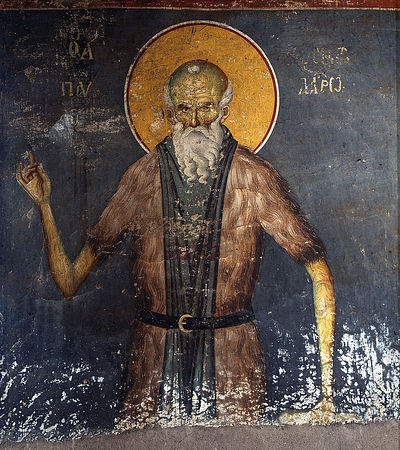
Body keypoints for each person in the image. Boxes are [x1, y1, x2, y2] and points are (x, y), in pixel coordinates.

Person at [17, 60, 337, 428]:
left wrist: (327, 394)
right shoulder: (142, 177)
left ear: (224, 108)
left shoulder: (254, 177)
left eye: (206, 107)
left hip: (232, 361)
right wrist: (44, 205)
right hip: (151, 362)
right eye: (184, 108)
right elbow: (70, 281)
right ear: (170, 112)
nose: (196, 120)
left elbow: (319, 272)